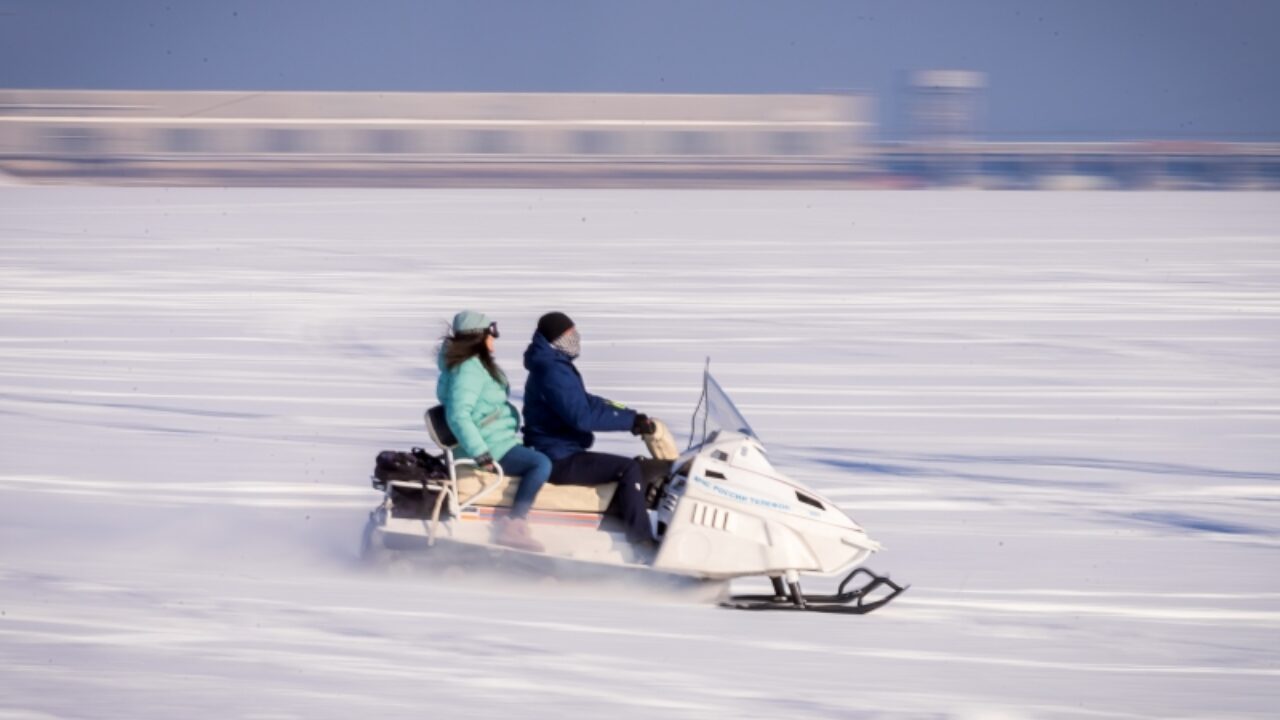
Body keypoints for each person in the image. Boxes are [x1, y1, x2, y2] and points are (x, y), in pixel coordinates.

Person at [522, 311, 659, 545]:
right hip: (557, 456)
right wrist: (628, 423)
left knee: (632, 468)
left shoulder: (554, 365)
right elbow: (581, 417)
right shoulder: (552, 371)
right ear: (555, 339)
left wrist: (631, 416)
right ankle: (642, 544)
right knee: (629, 469)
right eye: (569, 334)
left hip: (561, 451)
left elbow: (585, 401)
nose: (575, 338)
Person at [437, 310, 551, 552]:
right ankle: (515, 524)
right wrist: (481, 452)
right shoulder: (469, 369)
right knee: (540, 463)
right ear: (479, 337)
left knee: (537, 457)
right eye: (491, 334)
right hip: (489, 444)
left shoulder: (471, 365)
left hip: (495, 439)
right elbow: (459, 414)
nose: (494, 339)